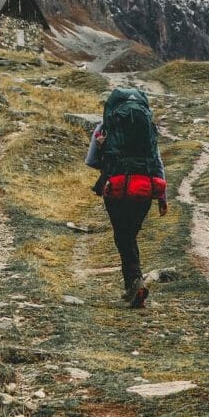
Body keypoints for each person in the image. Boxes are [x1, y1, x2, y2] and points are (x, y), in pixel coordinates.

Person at [85, 87, 167, 308]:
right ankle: (132, 286)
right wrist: (162, 197)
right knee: (129, 236)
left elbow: (91, 161)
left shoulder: (104, 128)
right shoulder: (148, 129)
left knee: (123, 237)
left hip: (117, 187)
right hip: (145, 190)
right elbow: (158, 164)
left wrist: (107, 153)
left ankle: (135, 284)